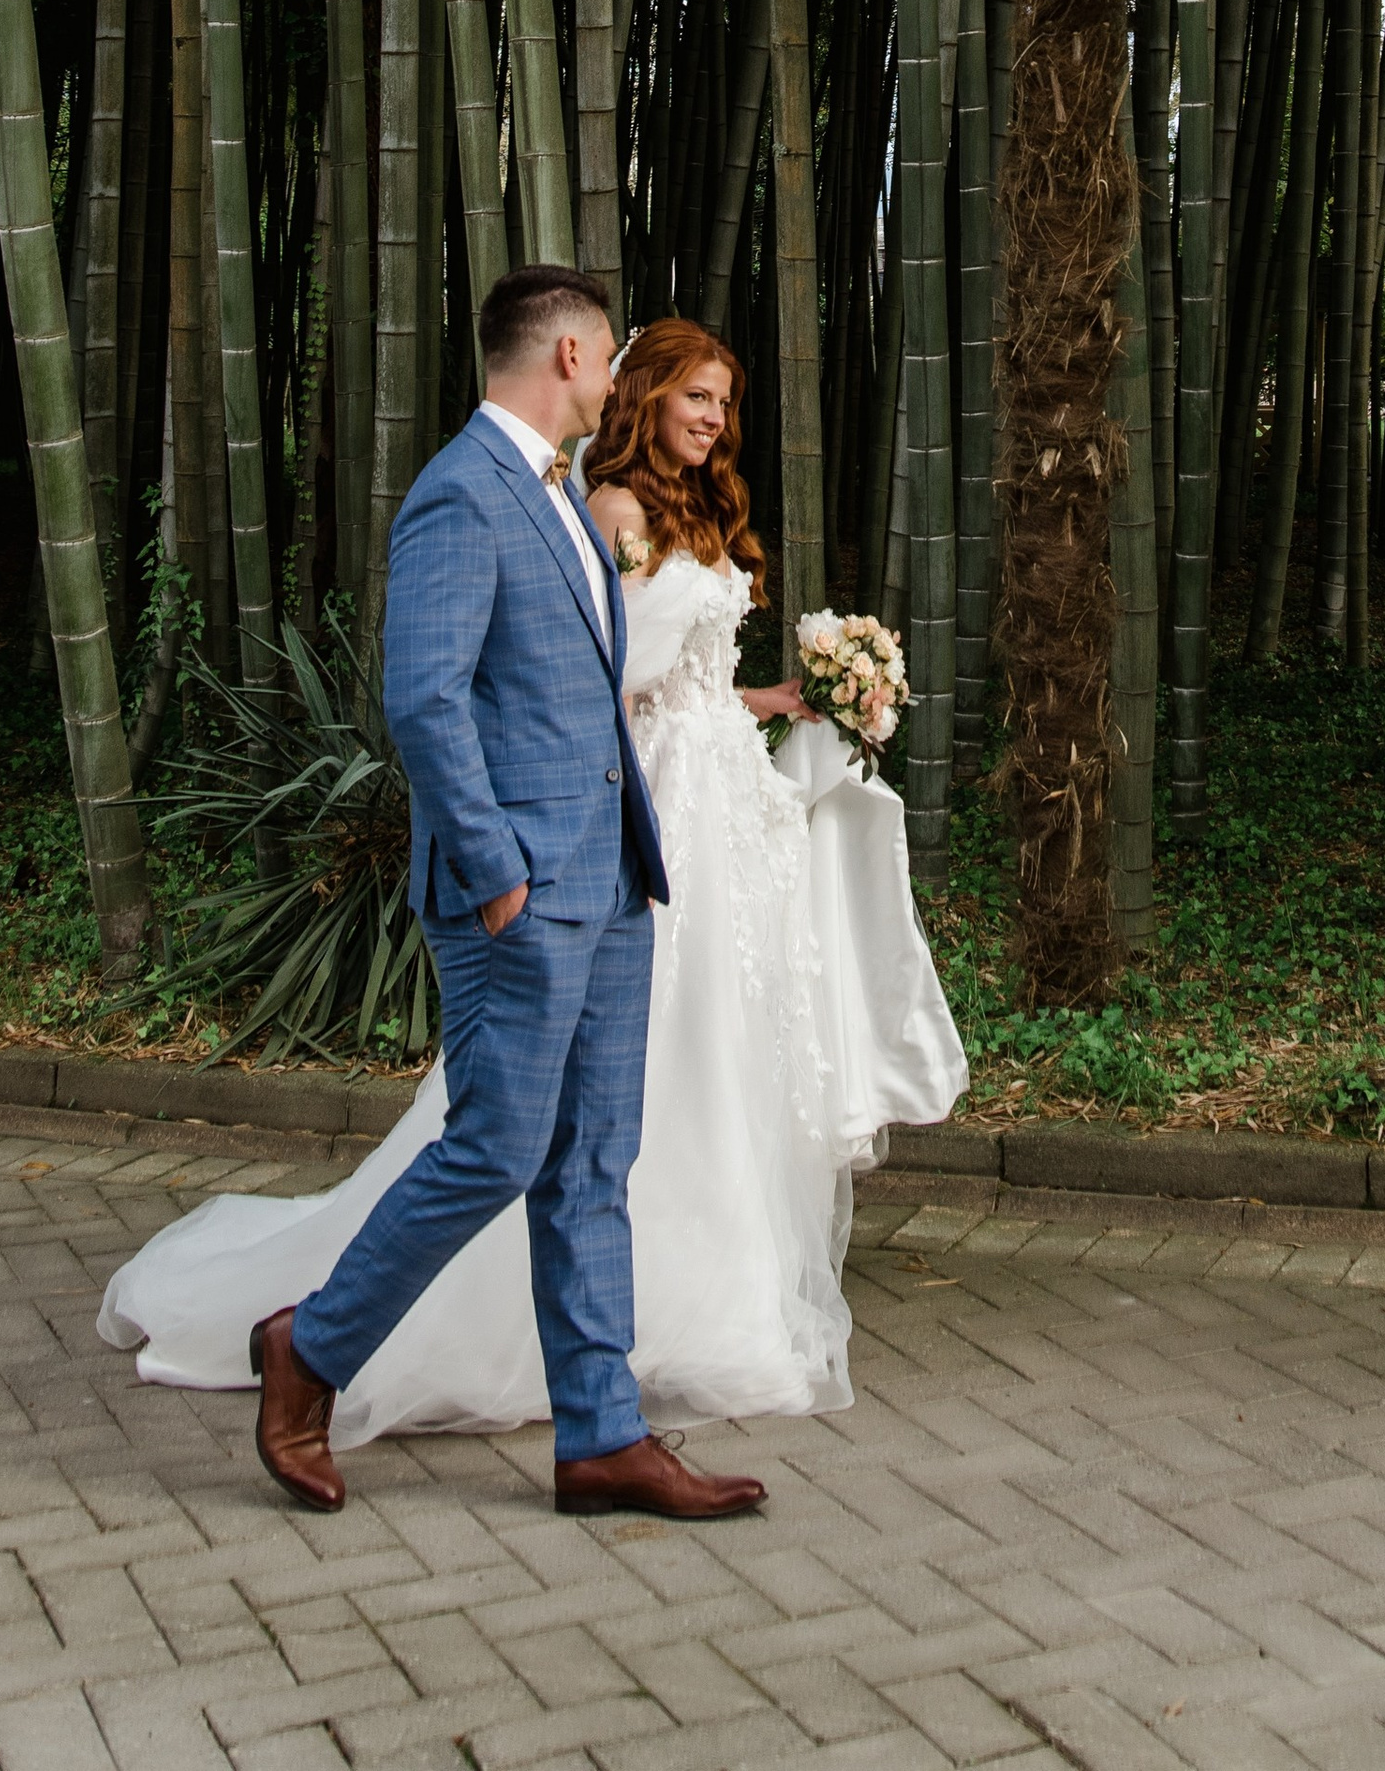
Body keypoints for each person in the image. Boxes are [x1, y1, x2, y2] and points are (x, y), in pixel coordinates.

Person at [100, 314, 965, 1474]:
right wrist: (498, 874)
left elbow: (597, 684)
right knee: (499, 1148)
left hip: (619, 871)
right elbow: (427, 702)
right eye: (613, 355)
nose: (618, 378)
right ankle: (309, 1344)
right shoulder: (464, 495)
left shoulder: (555, 490)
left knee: (595, 1157)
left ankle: (604, 1437)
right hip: (528, 883)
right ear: (570, 356)